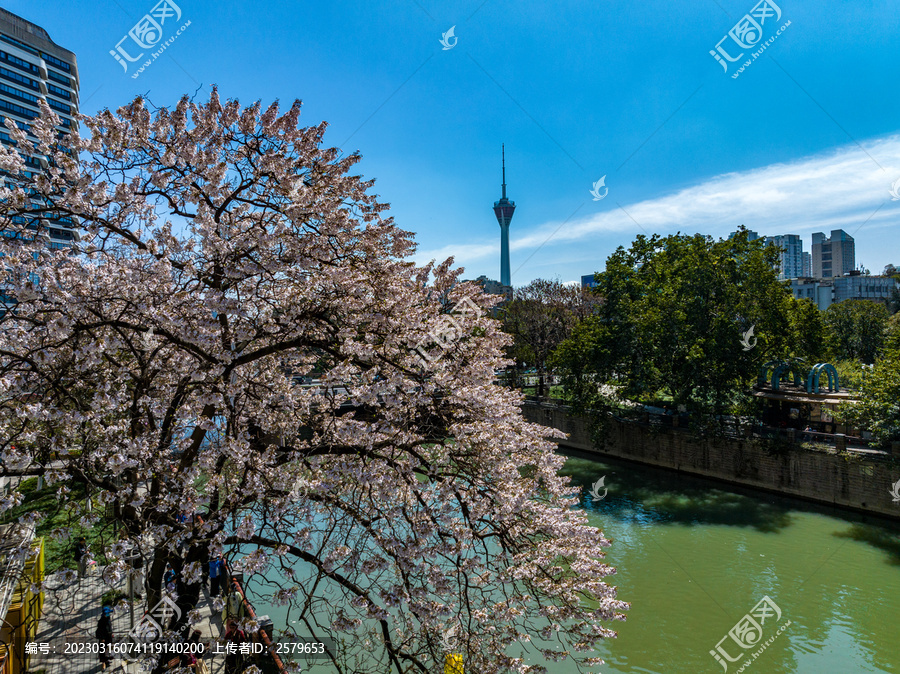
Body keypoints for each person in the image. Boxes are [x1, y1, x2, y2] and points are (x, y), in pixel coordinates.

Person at [96, 606, 114, 670]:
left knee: (108, 649)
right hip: (103, 638)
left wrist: (111, 633)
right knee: (102, 651)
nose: (108, 615)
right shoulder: (101, 622)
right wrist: (101, 638)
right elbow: (99, 631)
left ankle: (107, 660)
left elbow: (110, 627)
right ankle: (103, 662)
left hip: (108, 637)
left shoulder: (108, 619)